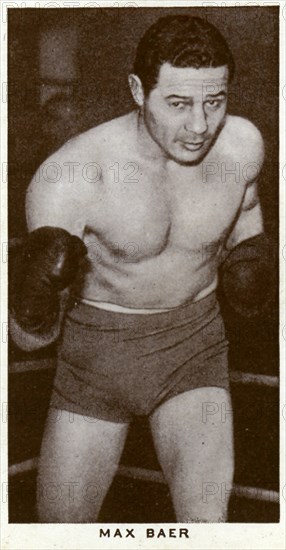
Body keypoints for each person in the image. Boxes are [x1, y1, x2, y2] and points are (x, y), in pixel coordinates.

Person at [10, 15, 274, 523]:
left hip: (194, 351)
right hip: (96, 364)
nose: (199, 126)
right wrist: (34, 297)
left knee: (207, 531)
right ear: (138, 90)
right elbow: (28, 340)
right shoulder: (74, 174)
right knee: (61, 535)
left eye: (214, 101)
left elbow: (246, 229)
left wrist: (252, 264)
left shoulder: (241, 147)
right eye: (177, 104)